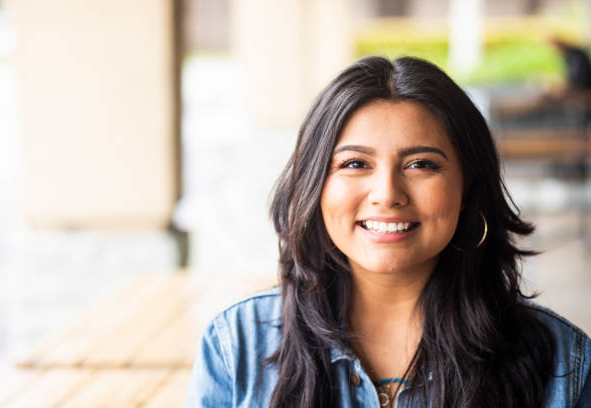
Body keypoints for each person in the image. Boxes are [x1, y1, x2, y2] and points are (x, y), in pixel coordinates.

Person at [184, 56, 591, 407]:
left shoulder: (560, 359)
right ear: (314, 186)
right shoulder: (236, 344)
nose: (387, 194)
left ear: (468, 187)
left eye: (421, 165)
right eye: (355, 164)